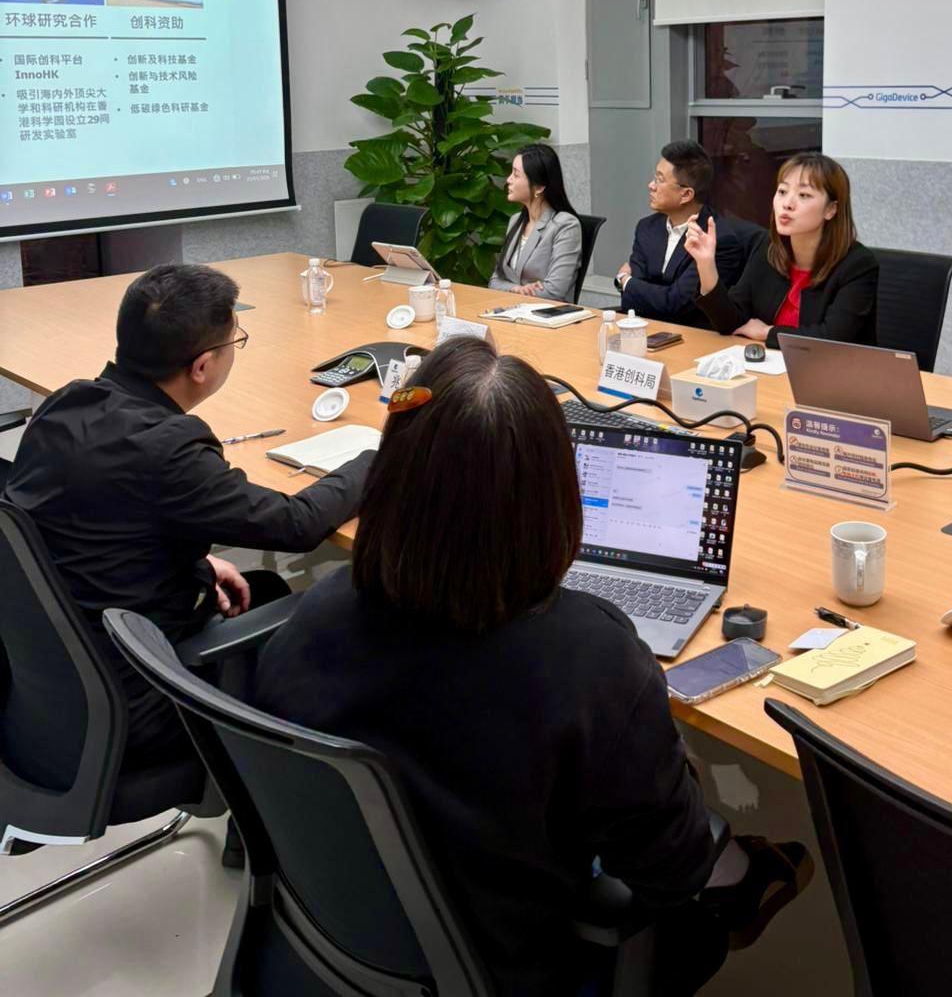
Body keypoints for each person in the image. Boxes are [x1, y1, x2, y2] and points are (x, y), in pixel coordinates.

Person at [254, 337, 809, 997]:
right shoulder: (591, 659)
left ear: (393, 474)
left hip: (335, 939)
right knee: (711, 902)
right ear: (554, 494)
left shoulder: (313, 614)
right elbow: (673, 871)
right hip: (511, 966)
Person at [1, 262, 373, 768]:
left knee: (262, 588)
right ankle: (280, 782)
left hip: (56, 680)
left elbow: (83, 523)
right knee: (329, 607)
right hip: (138, 701)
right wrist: (375, 458)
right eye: (234, 341)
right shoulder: (169, 448)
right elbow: (297, 524)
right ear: (202, 367)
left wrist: (195, 562)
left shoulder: (67, 402)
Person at [686, 153, 878, 348]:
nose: (787, 204)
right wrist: (706, 264)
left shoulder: (857, 264)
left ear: (830, 210)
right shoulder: (768, 248)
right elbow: (730, 322)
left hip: (829, 367)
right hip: (769, 363)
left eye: (804, 195)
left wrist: (766, 332)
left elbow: (831, 340)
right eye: (782, 191)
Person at [614, 139, 745, 328]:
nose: (651, 185)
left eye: (660, 180)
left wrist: (624, 281)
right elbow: (632, 302)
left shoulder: (717, 240)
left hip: (692, 337)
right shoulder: (647, 227)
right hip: (645, 328)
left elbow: (676, 304)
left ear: (686, 195)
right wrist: (637, 289)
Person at [488, 144, 583, 301]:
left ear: (538, 187)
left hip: (547, 312)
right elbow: (495, 281)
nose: (508, 180)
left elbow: (554, 291)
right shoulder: (515, 221)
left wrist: (514, 290)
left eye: (516, 175)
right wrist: (517, 289)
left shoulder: (565, 225)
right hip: (513, 308)